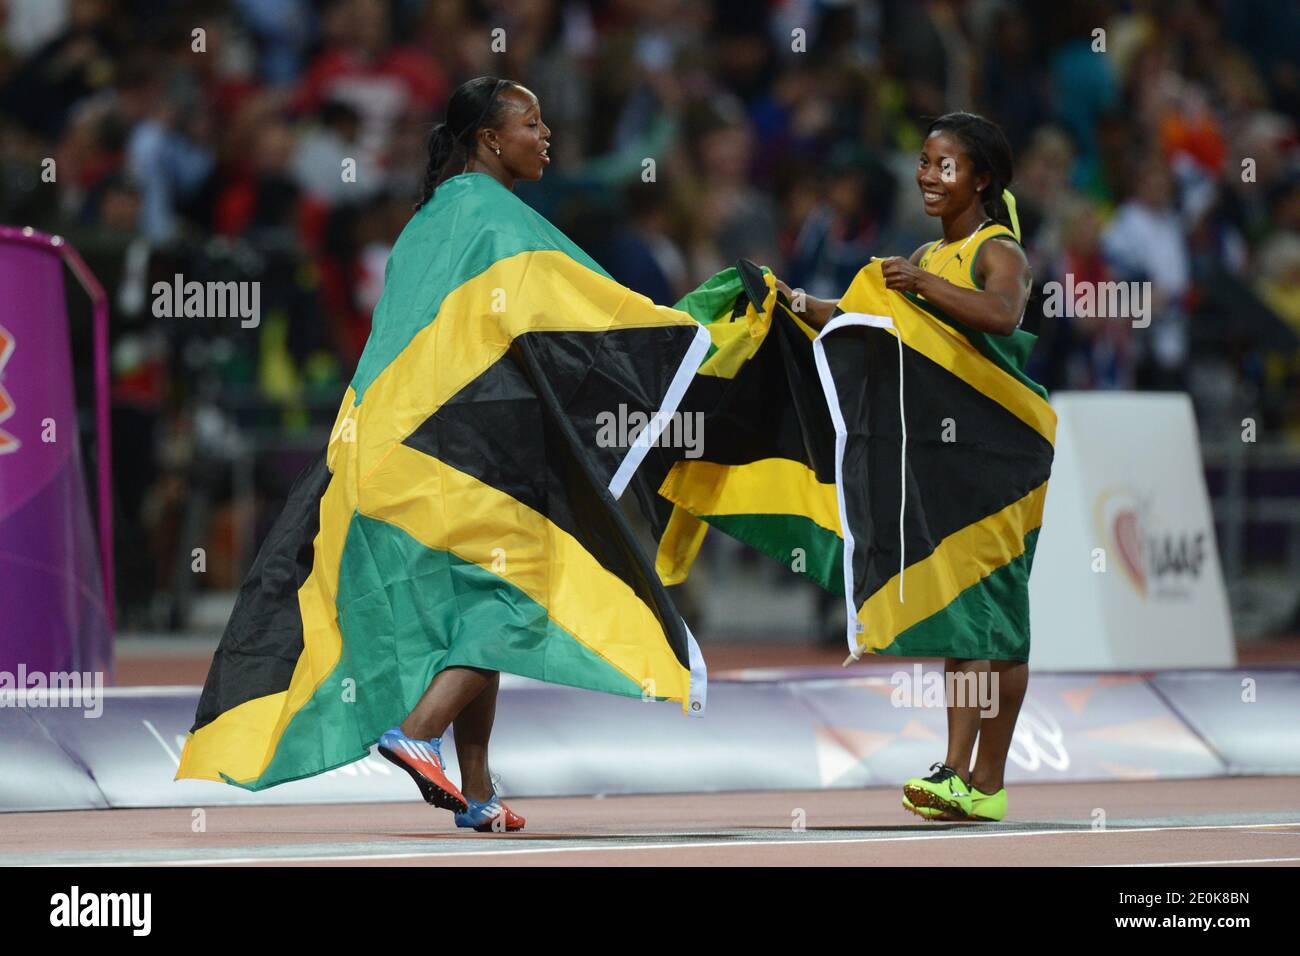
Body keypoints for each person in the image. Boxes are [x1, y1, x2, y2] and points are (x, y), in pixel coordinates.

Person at [178, 75, 709, 833]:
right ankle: (417, 732)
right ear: (491, 140)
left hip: (385, 449)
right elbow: (595, 310)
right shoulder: (498, 220)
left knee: (473, 607)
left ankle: (479, 789)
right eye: (531, 121)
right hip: (447, 455)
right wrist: (693, 329)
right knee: (520, 593)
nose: (546, 132)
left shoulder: (429, 220)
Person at [780, 112, 1041, 822]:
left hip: (1005, 457)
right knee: (997, 621)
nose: (928, 175)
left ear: (980, 178)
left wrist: (921, 288)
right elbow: (860, 322)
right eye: (923, 162)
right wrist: (792, 302)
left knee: (980, 615)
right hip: (947, 458)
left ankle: (957, 771)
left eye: (944, 164)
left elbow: (1003, 315)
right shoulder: (923, 257)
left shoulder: (998, 249)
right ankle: (985, 783)